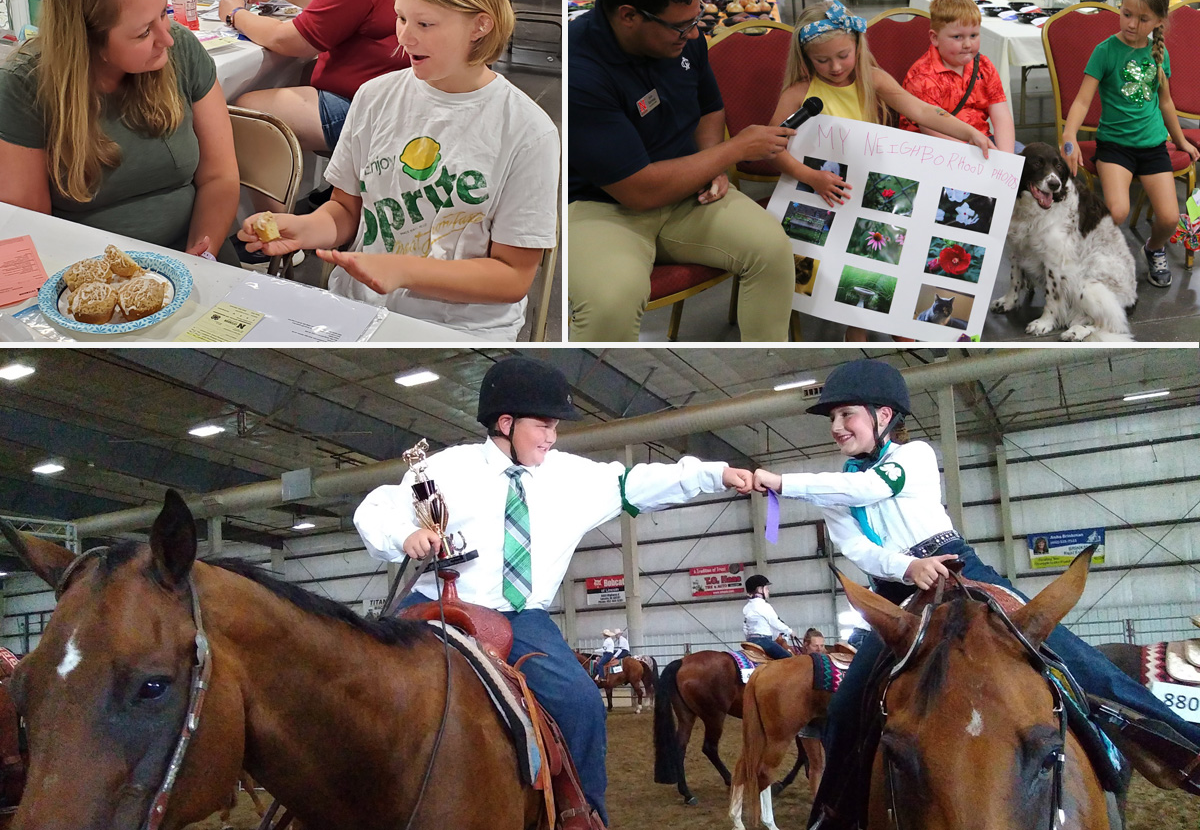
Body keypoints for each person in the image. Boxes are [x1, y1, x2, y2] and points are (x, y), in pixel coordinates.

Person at [751, 358, 1200, 828]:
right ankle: (831, 814)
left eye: (847, 415)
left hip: (961, 570)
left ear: (884, 417)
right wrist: (907, 567)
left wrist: (783, 482)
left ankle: (1185, 749)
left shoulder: (913, 456)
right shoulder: (833, 489)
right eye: (833, 419)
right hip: (898, 591)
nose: (837, 427)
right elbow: (857, 548)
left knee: (1079, 661)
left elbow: (871, 487)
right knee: (845, 707)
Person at [353, 356, 756, 826]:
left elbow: (637, 482)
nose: (552, 436)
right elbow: (376, 507)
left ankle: (581, 813)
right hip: (434, 603)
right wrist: (405, 535)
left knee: (582, 702)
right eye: (543, 425)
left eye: (554, 428)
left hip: (521, 618)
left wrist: (716, 474)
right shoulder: (446, 469)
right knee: (363, 681)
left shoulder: (572, 477)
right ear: (505, 423)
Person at [237, 0, 559, 341]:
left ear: (480, 25)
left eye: (425, 25)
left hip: (457, 328)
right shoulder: (376, 96)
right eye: (401, 18)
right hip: (359, 309)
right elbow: (345, 210)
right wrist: (305, 228)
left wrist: (403, 271)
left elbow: (511, 277)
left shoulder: (528, 131)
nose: (405, 37)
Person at [567, 0, 795, 343]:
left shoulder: (685, 41)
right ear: (628, 16)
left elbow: (710, 108)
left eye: (696, 20)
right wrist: (735, 149)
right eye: (679, 25)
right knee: (610, 301)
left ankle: (766, 372)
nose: (692, 34)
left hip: (686, 194)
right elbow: (638, 191)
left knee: (773, 250)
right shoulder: (581, 72)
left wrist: (713, 162)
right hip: (600, 205)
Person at [0, 0, 239, 263]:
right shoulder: (24, 84)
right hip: (84, 273)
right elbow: (33, 227)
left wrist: (200, 259)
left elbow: (219, 177)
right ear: (87, 42)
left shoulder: (179, 50)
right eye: (143, 33)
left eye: (164, 14)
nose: (166, 38)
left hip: (195, 257)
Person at [769, 0, 991, 342]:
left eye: (843, 55)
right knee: (854, 271)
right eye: (822, 60)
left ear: (858, 45)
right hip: (824, 196)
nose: (835, 66)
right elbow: (773, 147)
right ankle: (855, 331)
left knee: (892, 258)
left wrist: (969, 132)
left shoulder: (872, 79)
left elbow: (923, 111)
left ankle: (903, 328)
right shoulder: (800, 93)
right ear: (806, 58)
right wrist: (811, 176)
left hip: (873, 195)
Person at [217, 0, 428, 166]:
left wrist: (234, 14)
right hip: (397, 97)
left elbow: (288, 40)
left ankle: (273, 202)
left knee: (249, 113)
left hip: (366, 106)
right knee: (299, 74)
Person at [1063, 0, 1199, 288]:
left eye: (1143, 18)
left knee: (1167, 217)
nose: (1132, 24)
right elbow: (1083, 101)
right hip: (1115, 146)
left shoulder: (1159, 53)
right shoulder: (1105, 51)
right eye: (1126, 14)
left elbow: (1166, 104)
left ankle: (1153, 248)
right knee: (1118, 210)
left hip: (1153, 147)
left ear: (1159, 20)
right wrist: (1069, 135)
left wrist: (1180, 141)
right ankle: (1096, 256)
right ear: (1120, 9)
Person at [900, 0, 1015, 153]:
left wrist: (1006, 158)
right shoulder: (923, 76)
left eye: (973, 35)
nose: (968, 44)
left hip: (981, 141)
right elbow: (931, 129)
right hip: (932, 149)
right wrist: (972, 156)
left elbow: (1001, 117)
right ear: (935, 38)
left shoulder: (984, 66)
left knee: (1027, 163)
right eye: (957, 37)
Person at [742, 574, 794, 659]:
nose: (768, 591)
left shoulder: (747, 607)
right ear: (759, 590)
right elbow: (775, 623)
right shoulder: (764, 606)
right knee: (788, 659)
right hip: (764, 640)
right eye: (766, 588)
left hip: (750, 641)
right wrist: (790, 631)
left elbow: (745, 627)